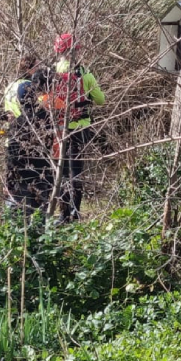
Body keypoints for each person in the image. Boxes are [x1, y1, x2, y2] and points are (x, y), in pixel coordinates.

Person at [39, 33, 105, 221]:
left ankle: (62, 212)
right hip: (80, 128)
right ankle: (75, 213)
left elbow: (42, 100)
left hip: (57, 129)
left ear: (57, 50)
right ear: (75, 50)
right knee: (76, 170)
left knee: (59, 169)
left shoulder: (50, 72)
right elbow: (101, 100)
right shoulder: (84, 73)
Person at [2, 54, 53, 211]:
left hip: (13, 138)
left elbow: (8, 114)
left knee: (16, 186)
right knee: (35, 185)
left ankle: (14, 224)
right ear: (30, 68)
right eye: (36, 65)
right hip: (31, 138)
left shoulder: (9, 87)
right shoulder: (28, 87)